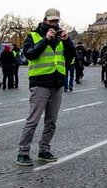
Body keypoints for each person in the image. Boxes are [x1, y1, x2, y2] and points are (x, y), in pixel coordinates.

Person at [16, 9, 75, 167]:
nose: (54, 24)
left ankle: (44, 150)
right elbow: (30, 54)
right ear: (45, 20)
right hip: (40, 83)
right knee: (33, 120)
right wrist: (46, 40)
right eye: (51, 21)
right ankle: (23, 152)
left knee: (51, 121)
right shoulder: (33, 36)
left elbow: (71, 56)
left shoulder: (62, 38)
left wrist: (68, 40)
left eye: (56, 21)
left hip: (57, 83)